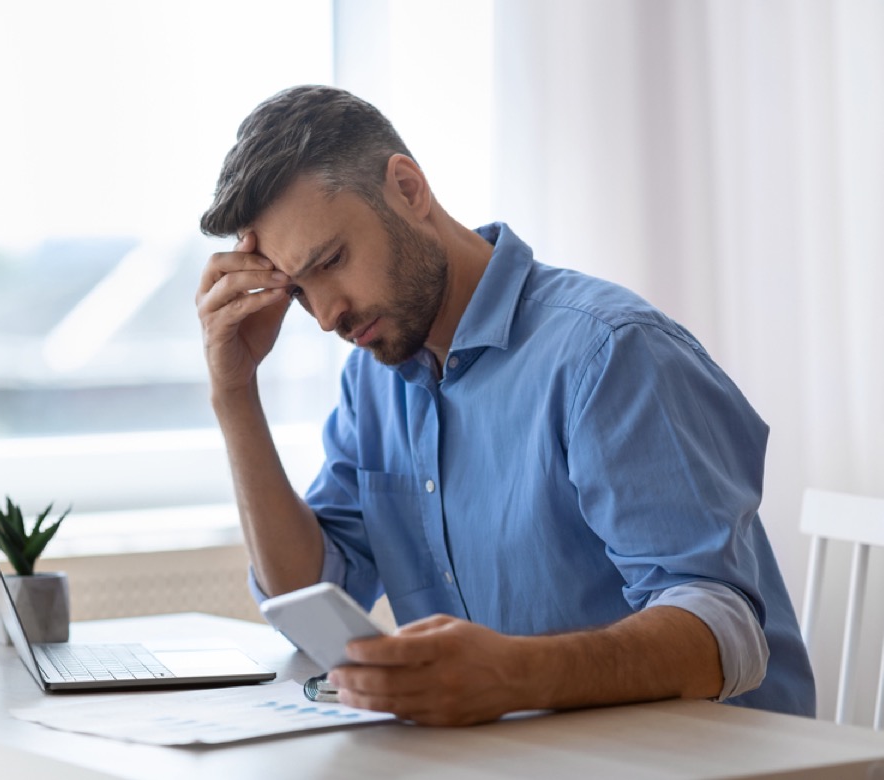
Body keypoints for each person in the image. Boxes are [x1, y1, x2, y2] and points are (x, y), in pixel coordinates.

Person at [194, 84, 815, 726]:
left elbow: (729, 634)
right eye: (298, 293)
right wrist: (235, 394)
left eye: (332, 262)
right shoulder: (373, 382)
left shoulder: (609, 353)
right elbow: (315, 601)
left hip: (714, 758)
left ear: (407, 189)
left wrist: (516, 675)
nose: (326, 315)